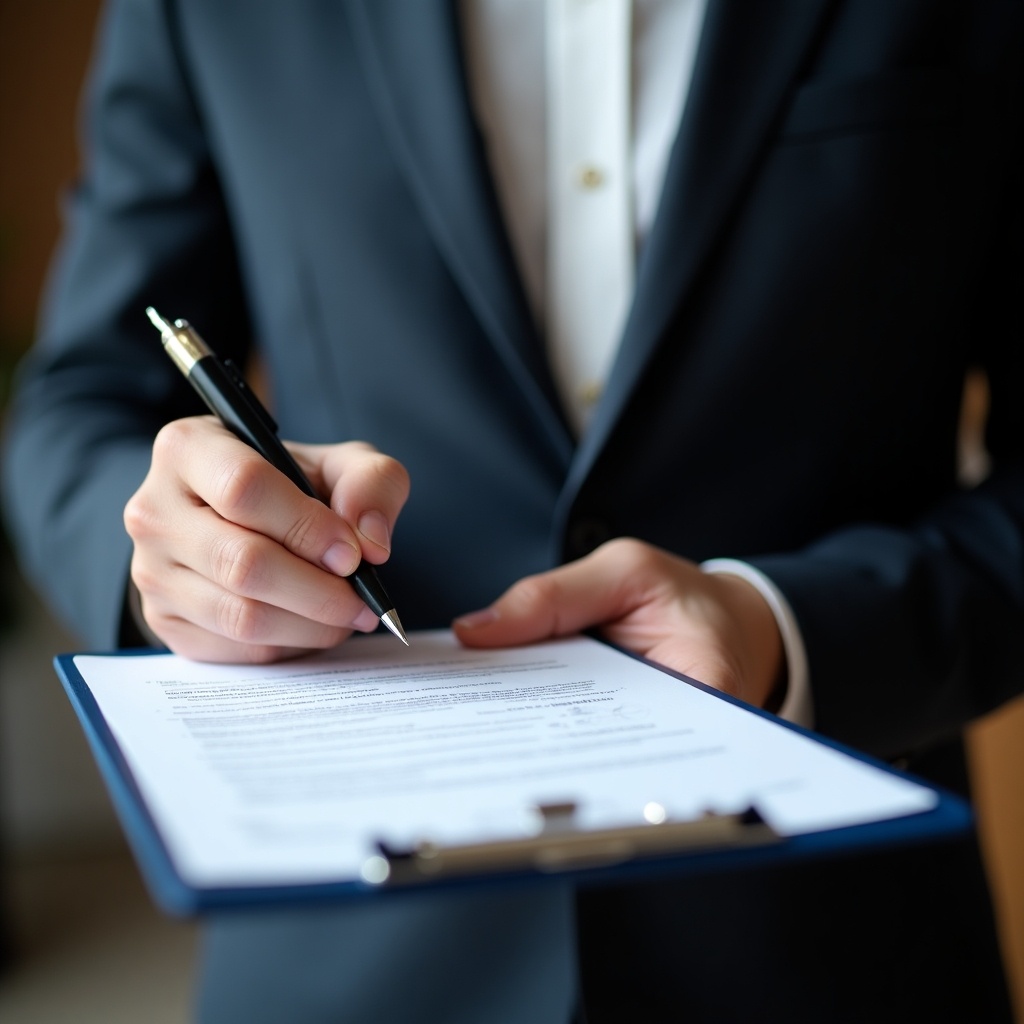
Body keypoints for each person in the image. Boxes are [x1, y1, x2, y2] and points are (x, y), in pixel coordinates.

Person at [2, 1, 1020, 1021]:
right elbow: (77, 402)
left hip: (835, 948)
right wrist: (178, 560)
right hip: (354, 951)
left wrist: (787, 628)